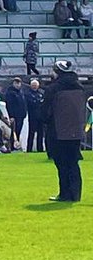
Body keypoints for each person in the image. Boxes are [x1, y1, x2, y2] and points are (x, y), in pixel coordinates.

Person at [40, 60, 85, 202]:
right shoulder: (79, 87)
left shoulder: (53, 89)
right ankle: (75, 194)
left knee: (62, 164)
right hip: (76, 130)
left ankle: (65, 193)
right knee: (73, 163)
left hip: (57, 131)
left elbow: (45, 112)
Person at [4, 77, 28, 150]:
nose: (17, 85)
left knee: (17, 131)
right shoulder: (10, 93)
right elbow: (9, 105)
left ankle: (15, 146)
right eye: (16, 83)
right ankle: (11, 147)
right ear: (13, 83)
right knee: (13, 132)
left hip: (21, 116)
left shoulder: (21, 92)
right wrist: (11, 116)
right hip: (14, 116)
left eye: (19, 83)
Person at [25, 77, 45, 153]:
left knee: (40, 133)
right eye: (33, 85)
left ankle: (40, 148)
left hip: (40, 116)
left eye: (35, 85)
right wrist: (38, 102)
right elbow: (32, 103)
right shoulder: (28, 93)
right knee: (31, 133)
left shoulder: (41, 93)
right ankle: (29, 149)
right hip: (32, 116)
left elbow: (43, 102)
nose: (34, 86)